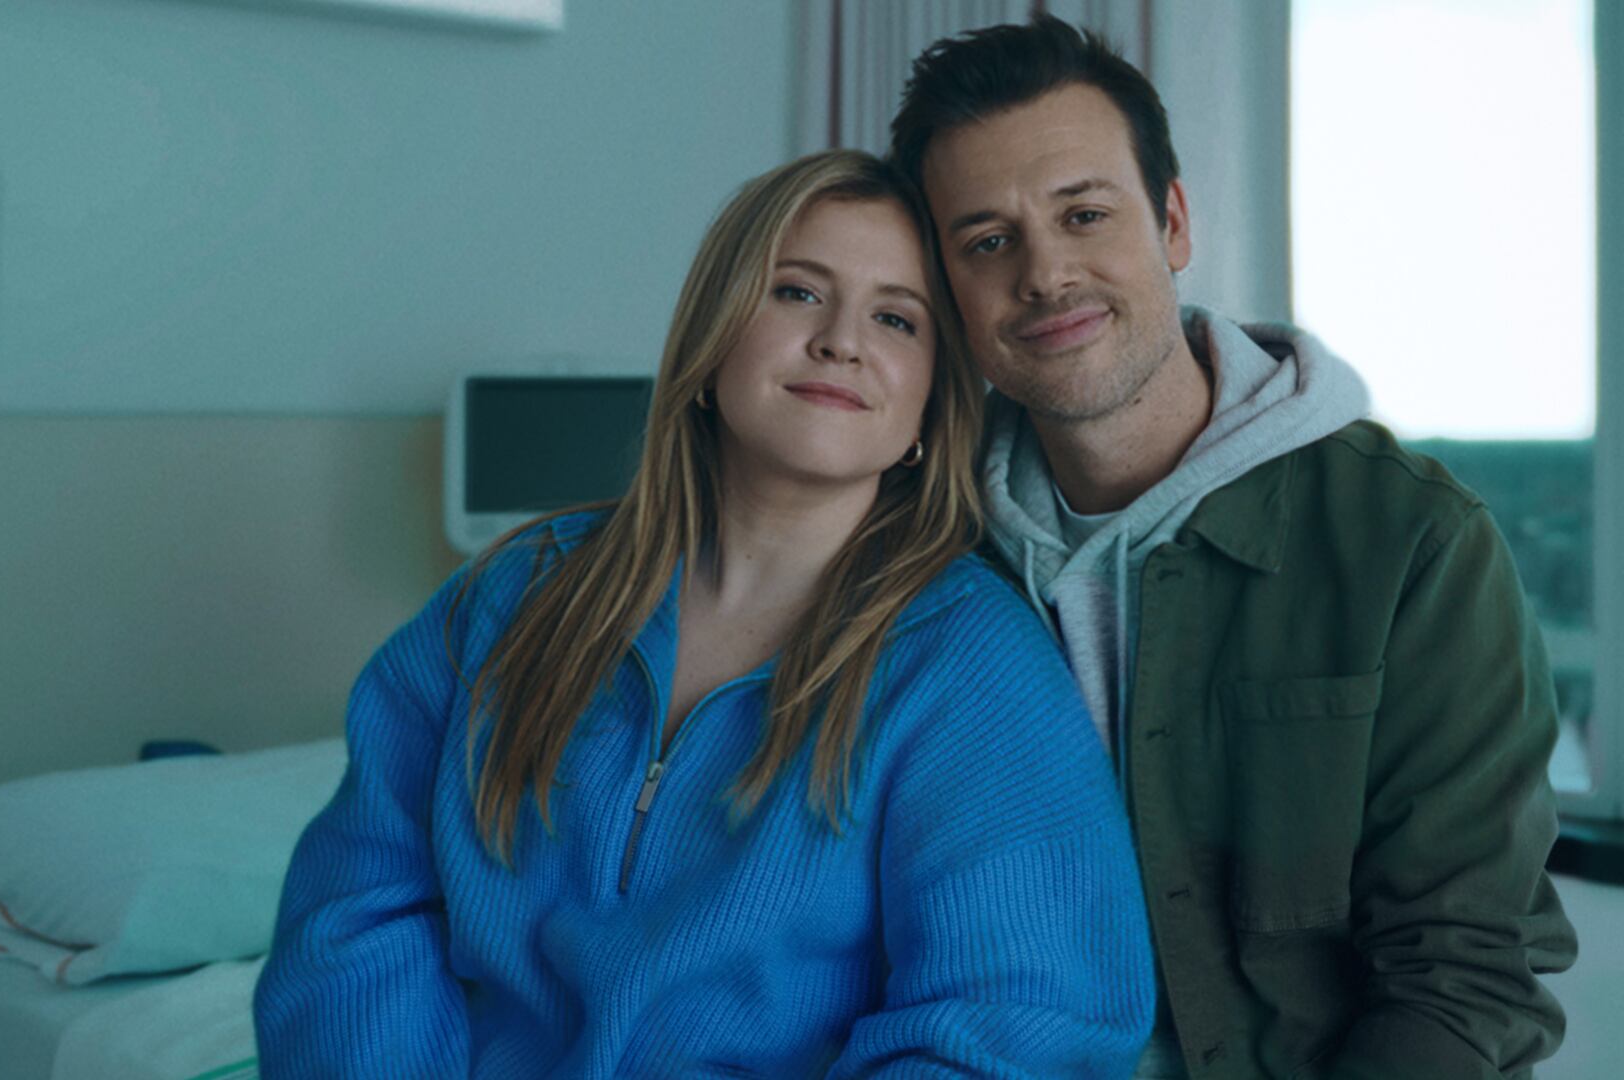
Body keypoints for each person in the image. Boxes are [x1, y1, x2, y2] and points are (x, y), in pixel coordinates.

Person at [253, 149, 1155, 1077]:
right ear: (712, 337)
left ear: (930, 403)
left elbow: (1016, 1028)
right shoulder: (515, 594)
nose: (841, 341)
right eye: (798, 293)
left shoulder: (972, 669)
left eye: (896, 318)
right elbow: (356, 915)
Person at [888, 16, 1578, 1079]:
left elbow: (1463, 978)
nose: (1045, 273)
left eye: (1084, 214)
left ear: (1172, 223)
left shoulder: (1412, 541)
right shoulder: (918, 551)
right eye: (988, 241)